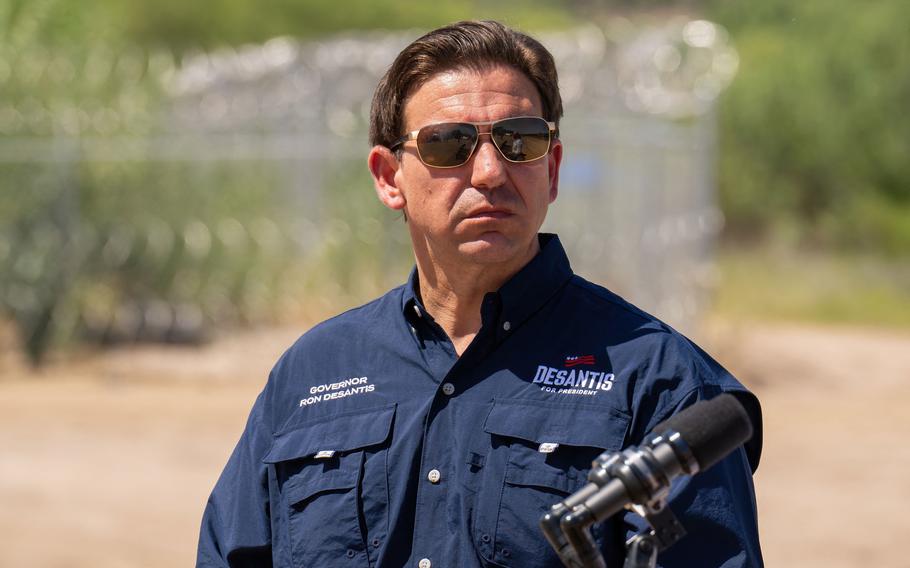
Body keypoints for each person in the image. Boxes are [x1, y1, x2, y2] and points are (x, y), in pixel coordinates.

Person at [197, 20, 763, 568]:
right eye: (450, 144)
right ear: (389, 176)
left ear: (553, 168)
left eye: (521, 141)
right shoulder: (312, 372)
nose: (491, 172)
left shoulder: (661, 381)